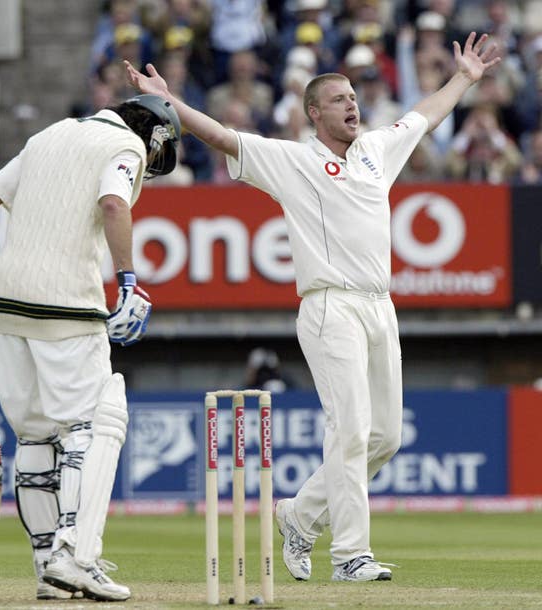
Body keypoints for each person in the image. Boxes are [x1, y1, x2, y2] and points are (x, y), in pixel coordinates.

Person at [124, 30, 500, 583]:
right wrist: (169, 102)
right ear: (313, 114)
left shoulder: (375, 153)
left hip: (379, 306)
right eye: (339, 100)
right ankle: (350, 555)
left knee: (385, 437)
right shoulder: (292, 160)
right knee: (348, 430)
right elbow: (225, 138)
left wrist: (464, 78)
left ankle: (298, 517)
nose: (353, 104)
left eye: (354, 97)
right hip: (329, 308)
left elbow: (423, 117)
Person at [0, 94, 181, 601]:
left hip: (9, 306)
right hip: (67, 305)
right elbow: (114, 203)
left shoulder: (47, 135)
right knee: (96, 423)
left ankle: (47, 569)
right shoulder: (125, 145)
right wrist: (128, 284)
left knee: (34, 437)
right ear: (153, 135)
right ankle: (75, 556)